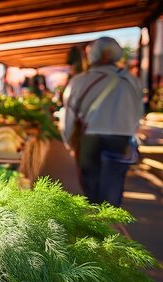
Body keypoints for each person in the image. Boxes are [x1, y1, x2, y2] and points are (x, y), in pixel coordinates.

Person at [61, 37, 142, 207]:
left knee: (91, 183)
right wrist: (131, 131)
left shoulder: (80, 80)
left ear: (93, 55)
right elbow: (137, 112)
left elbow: (69, 115)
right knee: (114, 183)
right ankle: (111, 223)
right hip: (121, 137)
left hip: (90, 138)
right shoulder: (130, 80)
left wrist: (69, 142)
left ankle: (96, 222)